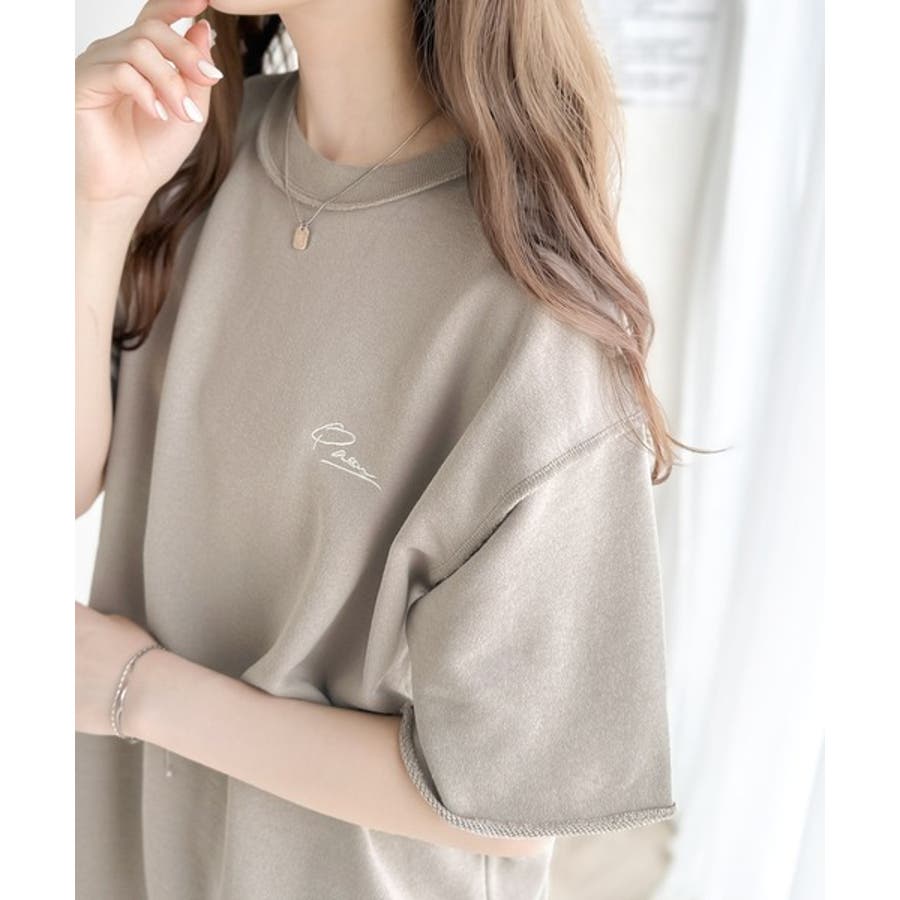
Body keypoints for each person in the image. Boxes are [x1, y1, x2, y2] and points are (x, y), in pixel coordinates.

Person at [74, 1, 687, 897]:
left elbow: (507, 801)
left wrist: (138, 690)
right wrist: (99, 209)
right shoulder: (181, 148)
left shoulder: (529, 311)